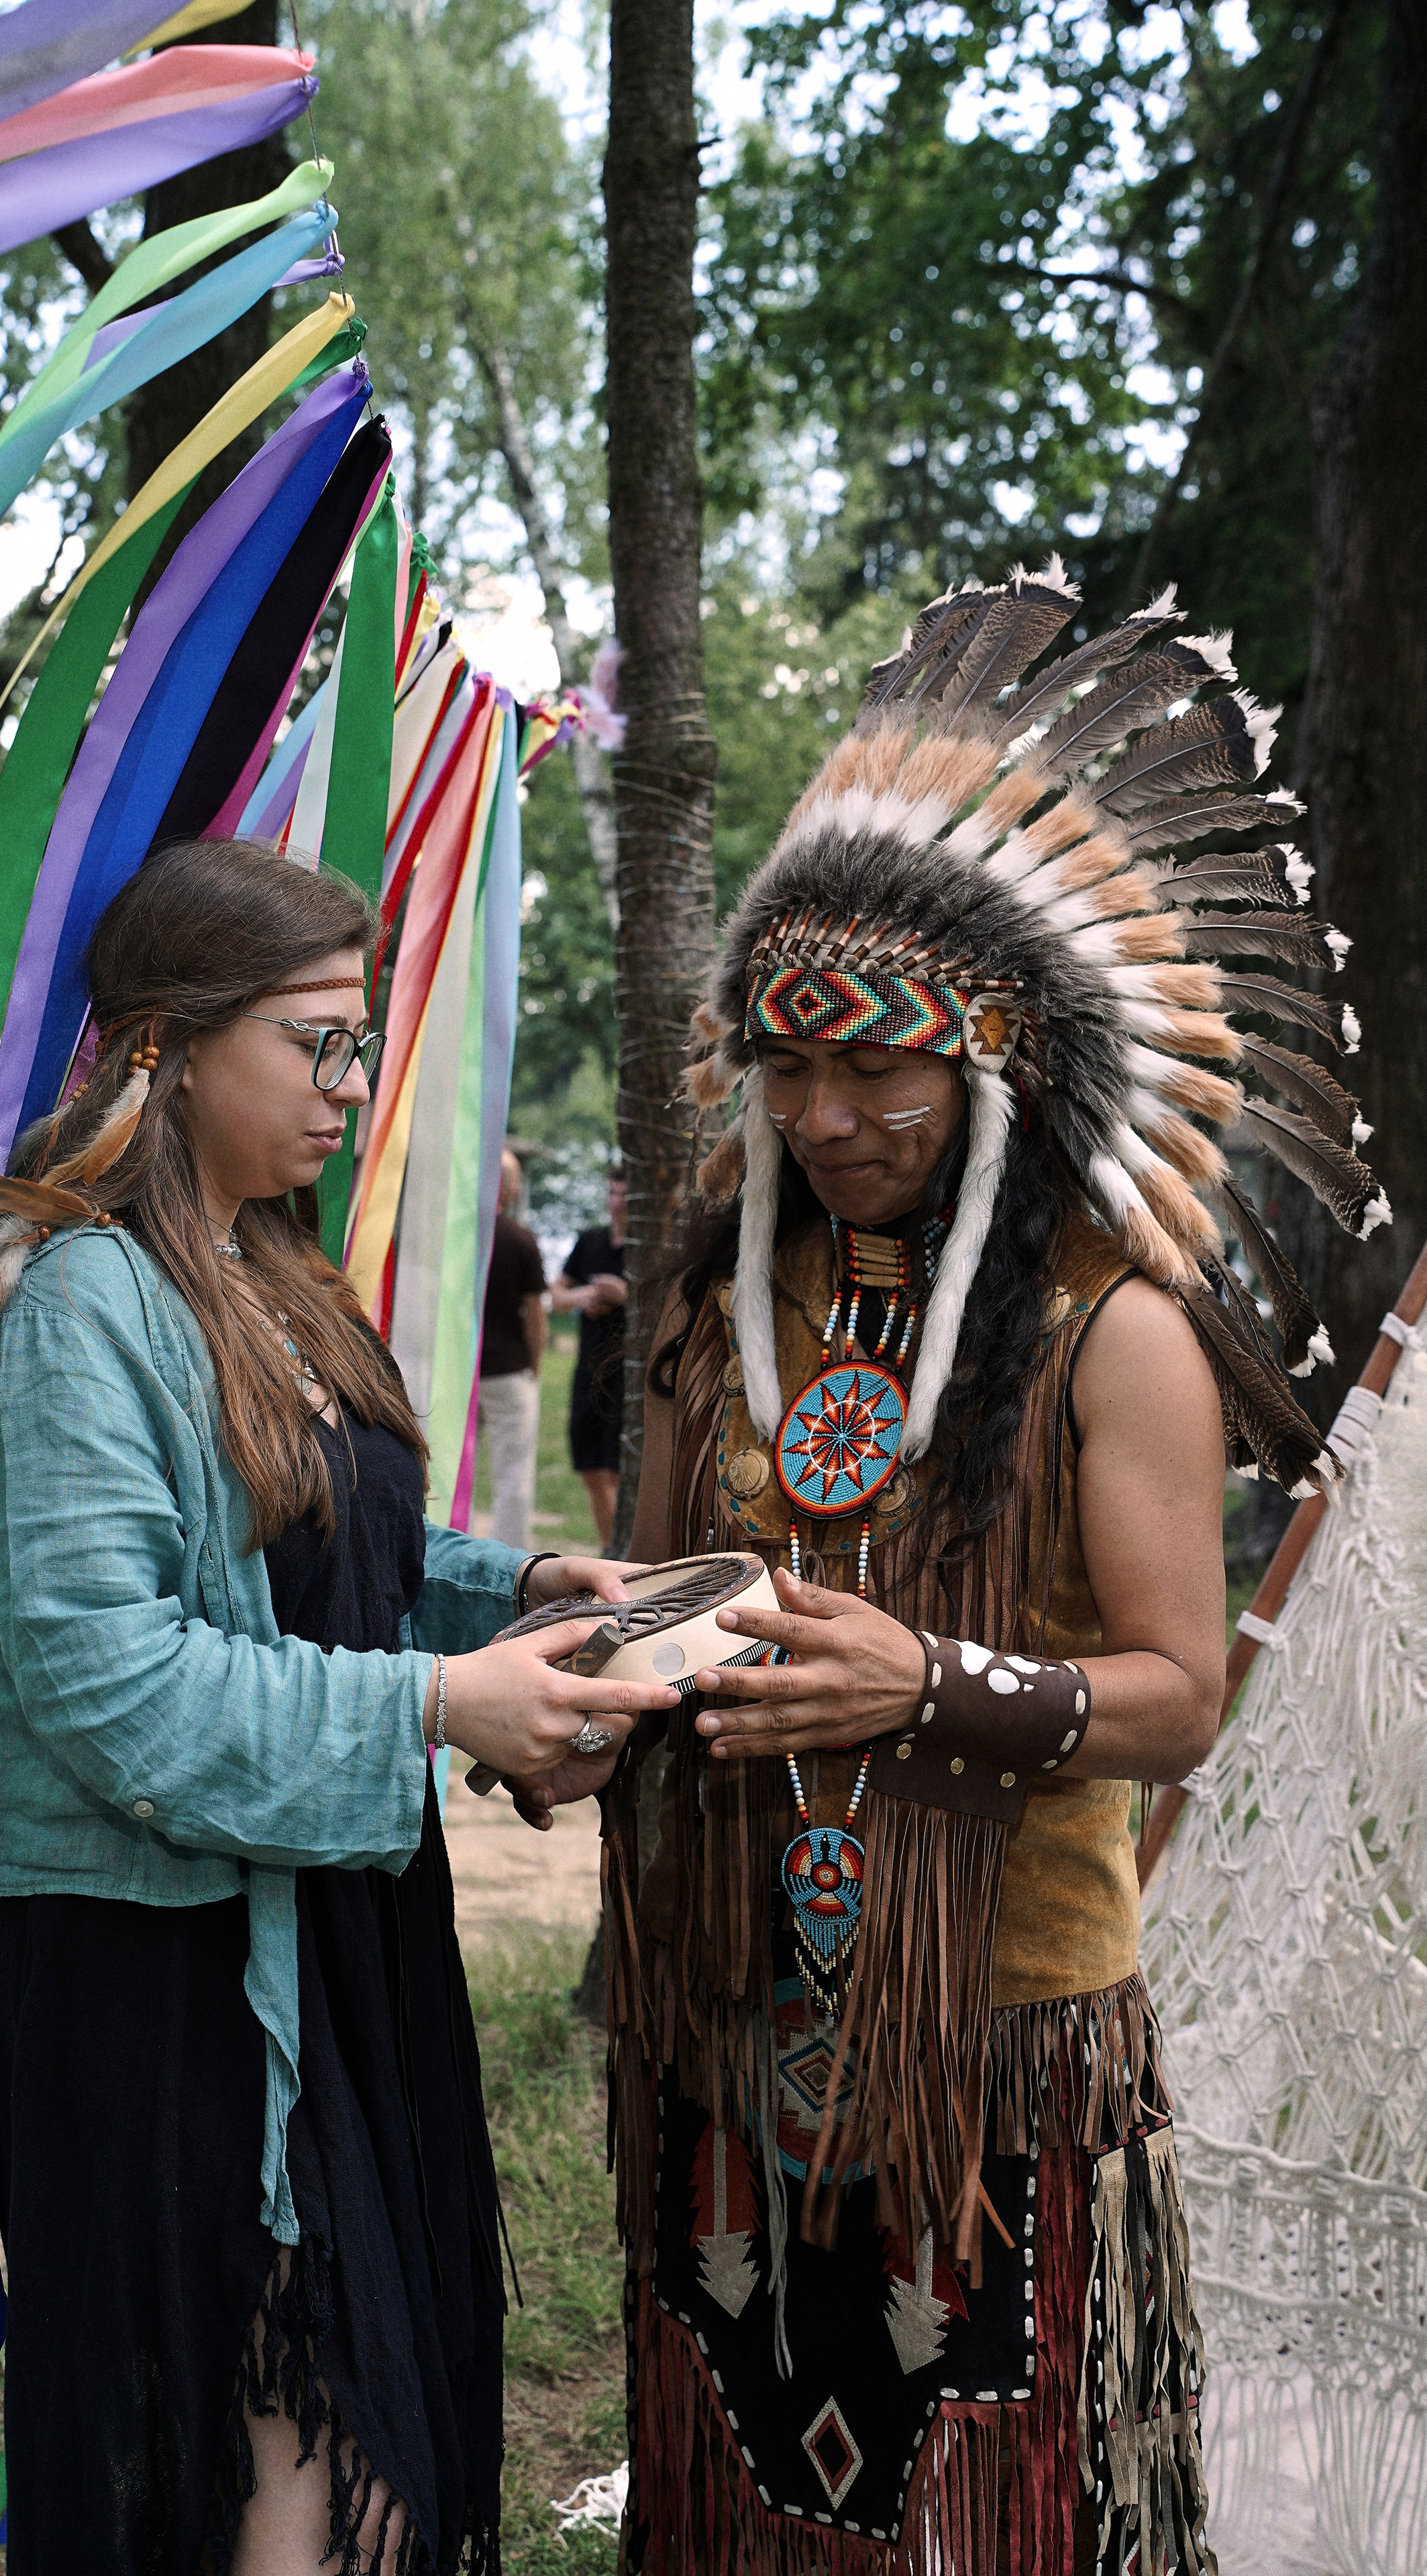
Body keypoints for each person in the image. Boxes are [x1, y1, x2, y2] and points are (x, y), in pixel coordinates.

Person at [587, 566, 1383, 2573]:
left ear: (993, 1064)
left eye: (884, 1069)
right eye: (787, 1069)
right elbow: (659, 1583)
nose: (830, 1114)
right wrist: (597, 1674)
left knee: (1004, 2489)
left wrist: (925, 1684)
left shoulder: (1109, 1324)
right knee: (753, 2467)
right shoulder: (708, 1304)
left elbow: (1179, 1691)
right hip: (730, 1992)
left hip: (1002, 2026)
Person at [0, 839, 674, 2576]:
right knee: (283, 2452)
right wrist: (433, 1708)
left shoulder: (262, 1271)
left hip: (312, 1932)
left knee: (322, 2449)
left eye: (361, 1043)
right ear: (168, 1049)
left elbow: (324, 1547)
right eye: (316, 1043)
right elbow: (112, 1685)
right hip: (165, 1987)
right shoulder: (68, 1309)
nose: (351, 1086)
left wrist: (519, 1596)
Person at [552, 1166, 629, 1546]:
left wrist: (624, 1295)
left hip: (627, 1377)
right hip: (588, 1370)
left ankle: (620, 1555)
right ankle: (609, 1549)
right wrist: (585, 1296)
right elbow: (557, 1295)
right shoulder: (590, 1242)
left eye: (624, 1194)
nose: (616, 1203)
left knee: (616, 1470)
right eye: (612, 1192)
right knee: (592, 1470)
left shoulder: (645, 1252)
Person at [476, 1148, 547, 1546]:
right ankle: (511, 1560)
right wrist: (534, 1365)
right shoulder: (521, 1241)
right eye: (516, 1179)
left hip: (463, 1372)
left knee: (450, 1465)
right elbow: (535, 1315)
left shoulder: (458, 1239)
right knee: (513, 1475)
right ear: (506, 1186)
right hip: (509, 1373)